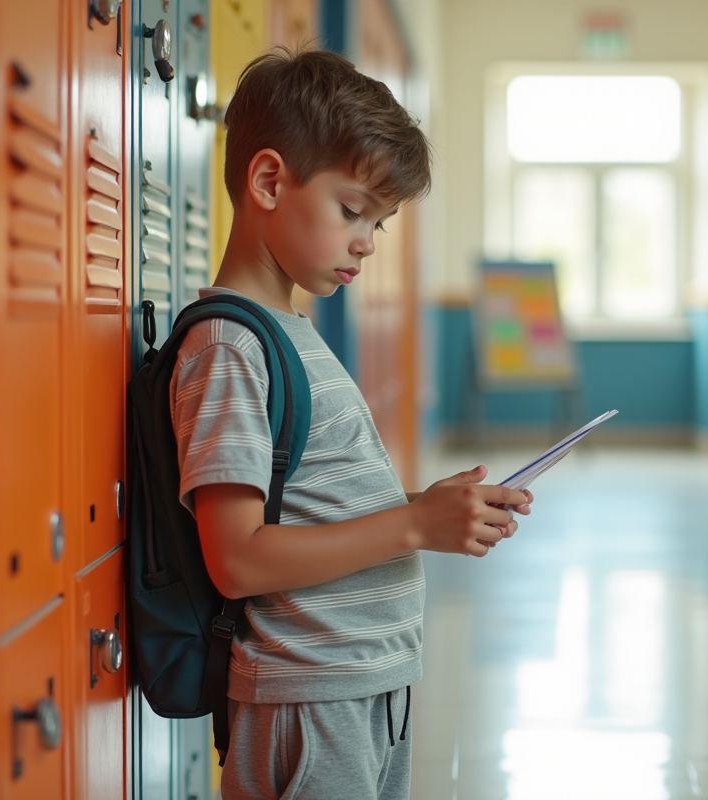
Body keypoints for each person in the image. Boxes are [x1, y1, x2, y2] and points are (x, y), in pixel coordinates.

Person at [170, 47, 534, 800]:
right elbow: (237, 558)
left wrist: (424, 507)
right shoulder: (230, 345)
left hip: (363, 681)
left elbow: (308, 496)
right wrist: (410, 527)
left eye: (382, 221)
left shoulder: (290, 330)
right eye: (353, 211)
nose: (368, 240)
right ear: (269, 180)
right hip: (308, 696)